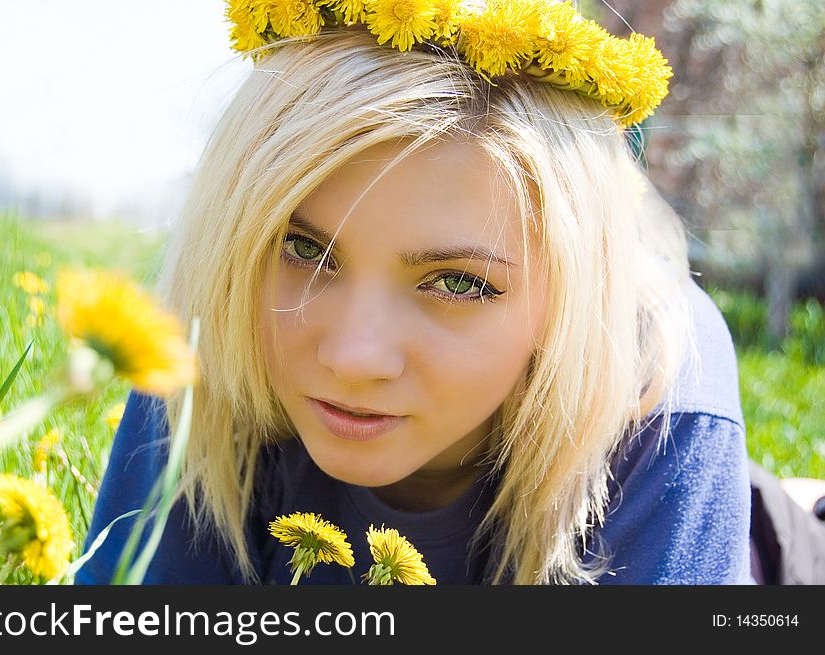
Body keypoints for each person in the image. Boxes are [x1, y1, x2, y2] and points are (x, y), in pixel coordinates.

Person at [77, 2, 786, 585]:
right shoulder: (203, 330)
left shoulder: (660, 373)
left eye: (457, 282)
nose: (356, 356)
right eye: (303, 248)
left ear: (571, 296)